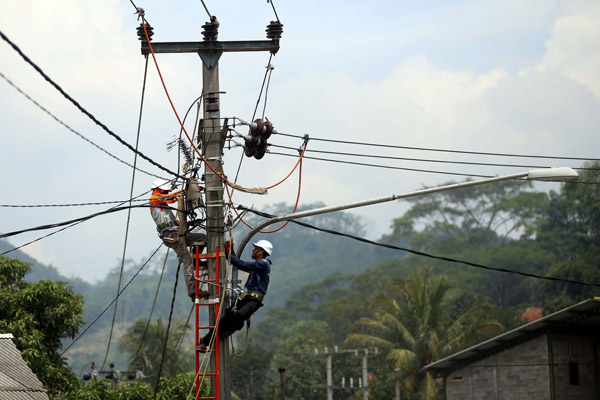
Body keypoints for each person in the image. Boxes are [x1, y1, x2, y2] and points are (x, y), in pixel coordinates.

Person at [197, 239, 273, 351]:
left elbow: (243, 265)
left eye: (255, 249)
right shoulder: (257, 266)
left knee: (239, 315)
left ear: (261, 252)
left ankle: (236, 326)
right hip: (244, 298)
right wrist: (231, 254)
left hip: (253, 301)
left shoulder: (263, 264)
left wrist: (228, 255)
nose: (253, 251)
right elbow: (241, 264)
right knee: (226, 318)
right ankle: (206, 341)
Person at [150, 178, 208, 300]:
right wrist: (185, 191)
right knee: (187, 260)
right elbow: (170, 198)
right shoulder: (154, 199)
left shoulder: (164, 206)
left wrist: (191, 223)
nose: (166, 193)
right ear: (159, 189)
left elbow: (176, 221)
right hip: (171, 235)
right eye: (164, 191)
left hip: (179, 233)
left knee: (204, 238)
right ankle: (193, 291)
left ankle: (196, 261)